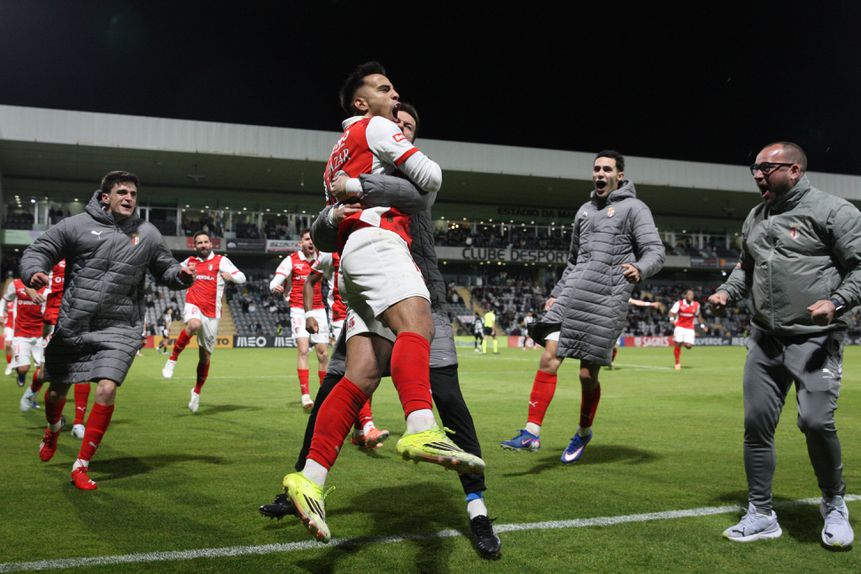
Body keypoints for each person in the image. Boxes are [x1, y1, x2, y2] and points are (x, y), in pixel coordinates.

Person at [263, 103, 499, 556]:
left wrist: (352, 187)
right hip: (370, 293)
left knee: (448, 399)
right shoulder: (369, 164)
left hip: (420, 296)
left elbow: (415, 192)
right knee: (339, 387)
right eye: (395, 126)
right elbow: (321, 231)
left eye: (407, 129)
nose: (400, 131)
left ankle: (477, 509)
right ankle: (304, 483)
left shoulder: (409, 181)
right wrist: (332, 214)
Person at [709, 142, 858, 547]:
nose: (758, 174)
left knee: (815, 422)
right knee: (756, 425)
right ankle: (761, 513)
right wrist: (727, 292)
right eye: (754, 168)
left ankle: (834, 502)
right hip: (764, 339)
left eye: (766, 167)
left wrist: (837, 301)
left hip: (815, 339)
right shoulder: (755, 216)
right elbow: (746, 267)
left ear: (794, 170)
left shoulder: (834, 211)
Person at [20, 170, 194, 490]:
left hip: (120, 326)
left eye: (133, 194)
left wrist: (181, 275)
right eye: (122, 192)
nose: (129, 198)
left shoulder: (147, 234)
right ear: (105, 197)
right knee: (56, 392)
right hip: (75, 323)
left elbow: (166, 268)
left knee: (107, 388)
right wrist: (33, 270)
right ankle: (53, 428)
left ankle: (81, 465)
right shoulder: (76, 225)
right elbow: (40, 249)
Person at [501, 150, 665, 463]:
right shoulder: (585, 211)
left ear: (619, 175)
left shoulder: (635, 208)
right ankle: (531, 432)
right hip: (573, 295)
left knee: (587, 375)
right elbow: (574, 260)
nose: (600, 174)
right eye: (596, 169)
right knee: (549, 357)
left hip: (606, 299)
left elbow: (656, 251)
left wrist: (640, 268)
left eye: (607, 169)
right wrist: (557, 292)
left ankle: (584, 431)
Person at [303, 252, 387, 448]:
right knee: (358, 368)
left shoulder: (367, 247)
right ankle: (368, 425)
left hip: (368, 315)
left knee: (367, 371)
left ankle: (359, 431)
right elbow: (309, 282)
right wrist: (308, 314)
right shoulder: (330, 253)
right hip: (342, 317)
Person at [162, 230, 246, 413]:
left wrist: (232, 277)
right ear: (195, 246)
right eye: (199, 242)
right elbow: (174, 272)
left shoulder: (221, 261)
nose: (203, 245)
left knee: (205, 357)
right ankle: (172, 359)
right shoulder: (190, 261)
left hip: (212, 314)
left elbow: (242, 277)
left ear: (211, 244)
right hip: (193, 305)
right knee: (193, 324)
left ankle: (196, 392)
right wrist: (179, 274)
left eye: (205, 242)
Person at [269, 231, 329, 412]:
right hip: (298, 310)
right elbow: (275, 281)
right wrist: (275, 287)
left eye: (313, 239)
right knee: (303, 350)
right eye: (307, 239)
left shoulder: (322, 258)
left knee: (323, 354)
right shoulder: (291, 260)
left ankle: (324, 396)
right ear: (300, 243)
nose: (311, 242)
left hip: (319, 309)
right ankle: (305, 396)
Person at [0, 277, 47, 409]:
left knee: (42, 373)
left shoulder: (48, 284)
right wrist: (1, 314)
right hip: (21, 334)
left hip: (41, 335)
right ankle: (20, 374)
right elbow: (5, 299)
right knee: (23, 368)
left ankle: (31, 397)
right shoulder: (17, 284)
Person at [669, 289, 706, 370]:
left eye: (692, 295)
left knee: (689, 346)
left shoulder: (696, 305)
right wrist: (672, 320)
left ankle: (681, 342)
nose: (691, 296)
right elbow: (671, 312)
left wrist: (702, 326)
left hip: (689, 328)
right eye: (689, 294)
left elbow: (698, 315)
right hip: (679, 327)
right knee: (678, 344)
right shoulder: (679, 303)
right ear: (685, 295)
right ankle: (677, 363)